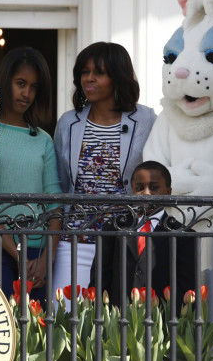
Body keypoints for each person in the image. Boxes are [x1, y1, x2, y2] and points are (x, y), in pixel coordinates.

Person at [53, 42, 157, 293]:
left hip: (125, 239)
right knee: (65, 319)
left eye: (98, 72)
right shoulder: (69, 122)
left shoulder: (146, 119)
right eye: (85, 72)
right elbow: (61, 182)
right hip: (75, 239)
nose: (89, 79)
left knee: (119, 322)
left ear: (117, 77)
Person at [0, 47, 61, 302]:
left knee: (37, 337)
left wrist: (45, 260)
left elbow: (55, 202)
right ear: (5, 81)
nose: (27, 93)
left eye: (34, 86)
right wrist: (19, 254)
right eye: (20, 83)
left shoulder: (42, 140)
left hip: (37, 253)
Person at [89, 160, 196, 308]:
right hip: (120, 319)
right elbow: (101, 277)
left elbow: (186, 285)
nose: (146, 193)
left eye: (154, 188)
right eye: (139, 188)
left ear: (168, 192)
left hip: (162, 322)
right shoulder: (114, 228)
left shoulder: (183, 235)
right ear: (132, 191)